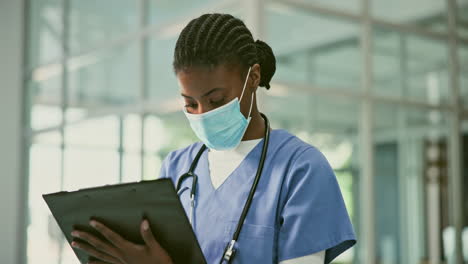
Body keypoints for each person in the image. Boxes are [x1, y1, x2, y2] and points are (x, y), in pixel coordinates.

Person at [70, 13, 356, 264]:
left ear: (253, 77)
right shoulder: (177, 167)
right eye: (190, 104)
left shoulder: (300, 169)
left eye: (216, 100)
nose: (203, 114)